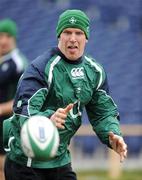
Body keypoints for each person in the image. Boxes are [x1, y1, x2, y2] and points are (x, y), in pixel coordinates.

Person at [4, 10, 127, 180]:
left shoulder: (95, 71)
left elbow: (103, 113)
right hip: (26, 163)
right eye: (67, 32)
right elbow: (24, 111)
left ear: (86, 38)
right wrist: (48, 120)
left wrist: (113, 134)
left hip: (60, 160)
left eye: (78, 33)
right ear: (59, 36)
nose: (73, 38)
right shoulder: (40, 68)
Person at [0, 19, 28, 180]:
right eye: (1, 36)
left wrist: (2, 108)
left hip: (9, 125)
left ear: (14, 39)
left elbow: (24, 99)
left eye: (8, 36)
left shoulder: (19, 63)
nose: (3, 40)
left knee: (7, 168)